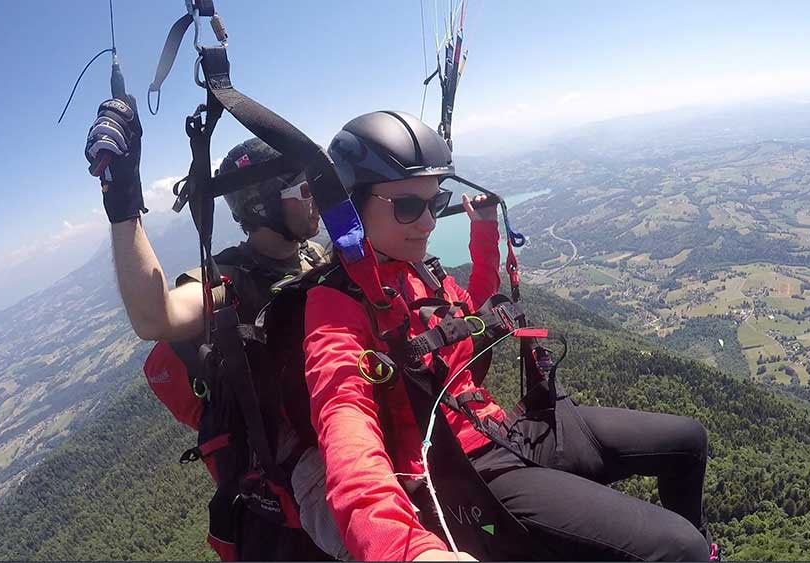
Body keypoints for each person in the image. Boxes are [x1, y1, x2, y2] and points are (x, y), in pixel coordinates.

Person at [302, 110, 715, 561]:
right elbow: (346, 433)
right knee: (681, 548)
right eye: (407, 206)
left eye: (434, 202)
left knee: (688, 441)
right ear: (348, 210)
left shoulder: (415, 271)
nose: (429, 223)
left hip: (503, 428)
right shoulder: (335, 307)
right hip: (467, 470)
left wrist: (482, 230)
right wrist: (406, 551)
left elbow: (471, 304)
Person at [84, 95, 349, 560]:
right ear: (265, 204)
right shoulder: (229, 282)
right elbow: (155, 317)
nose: (315, 200)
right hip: (304, 502)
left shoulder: (312, 257)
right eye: (302, 191)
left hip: (343, 443)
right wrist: (122, 199)